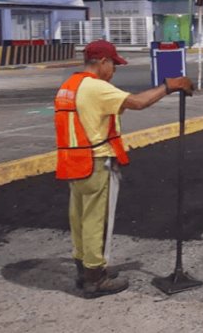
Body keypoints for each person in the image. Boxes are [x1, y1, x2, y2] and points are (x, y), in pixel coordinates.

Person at [54, 40, 194, 298]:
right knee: (98, 220)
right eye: (114, 65)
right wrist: (169, 86)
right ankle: (95, 278)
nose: (114, 71)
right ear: (103, 62)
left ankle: (83, 269)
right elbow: (138, 102)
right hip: (95, 162)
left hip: (73, 161)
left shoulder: (70, 85)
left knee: (79, 218)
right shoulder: (96, 87)